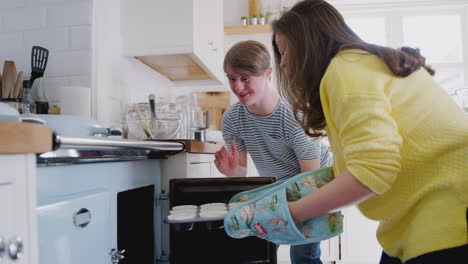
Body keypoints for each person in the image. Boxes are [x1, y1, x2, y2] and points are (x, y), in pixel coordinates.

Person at [270, 0, 468, 263]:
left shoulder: (345, 70)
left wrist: (291, 213)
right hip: (425, 216)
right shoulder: (362, 63)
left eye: (283, 52)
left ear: (305, 45)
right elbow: (376, 157)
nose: (282, 64)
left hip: (447, 215)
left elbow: (374, 167)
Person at [214, 40, 332, 264]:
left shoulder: (295, 116)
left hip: (315, 185)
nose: (237, 87)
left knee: (303, 255)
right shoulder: (232, 118)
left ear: (268, 73)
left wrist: (277, 213)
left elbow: (309, 179)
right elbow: (240, 173)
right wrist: (231, 171)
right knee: (257, 251)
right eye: (231, 78)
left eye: (245, 78)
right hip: (276, 187)